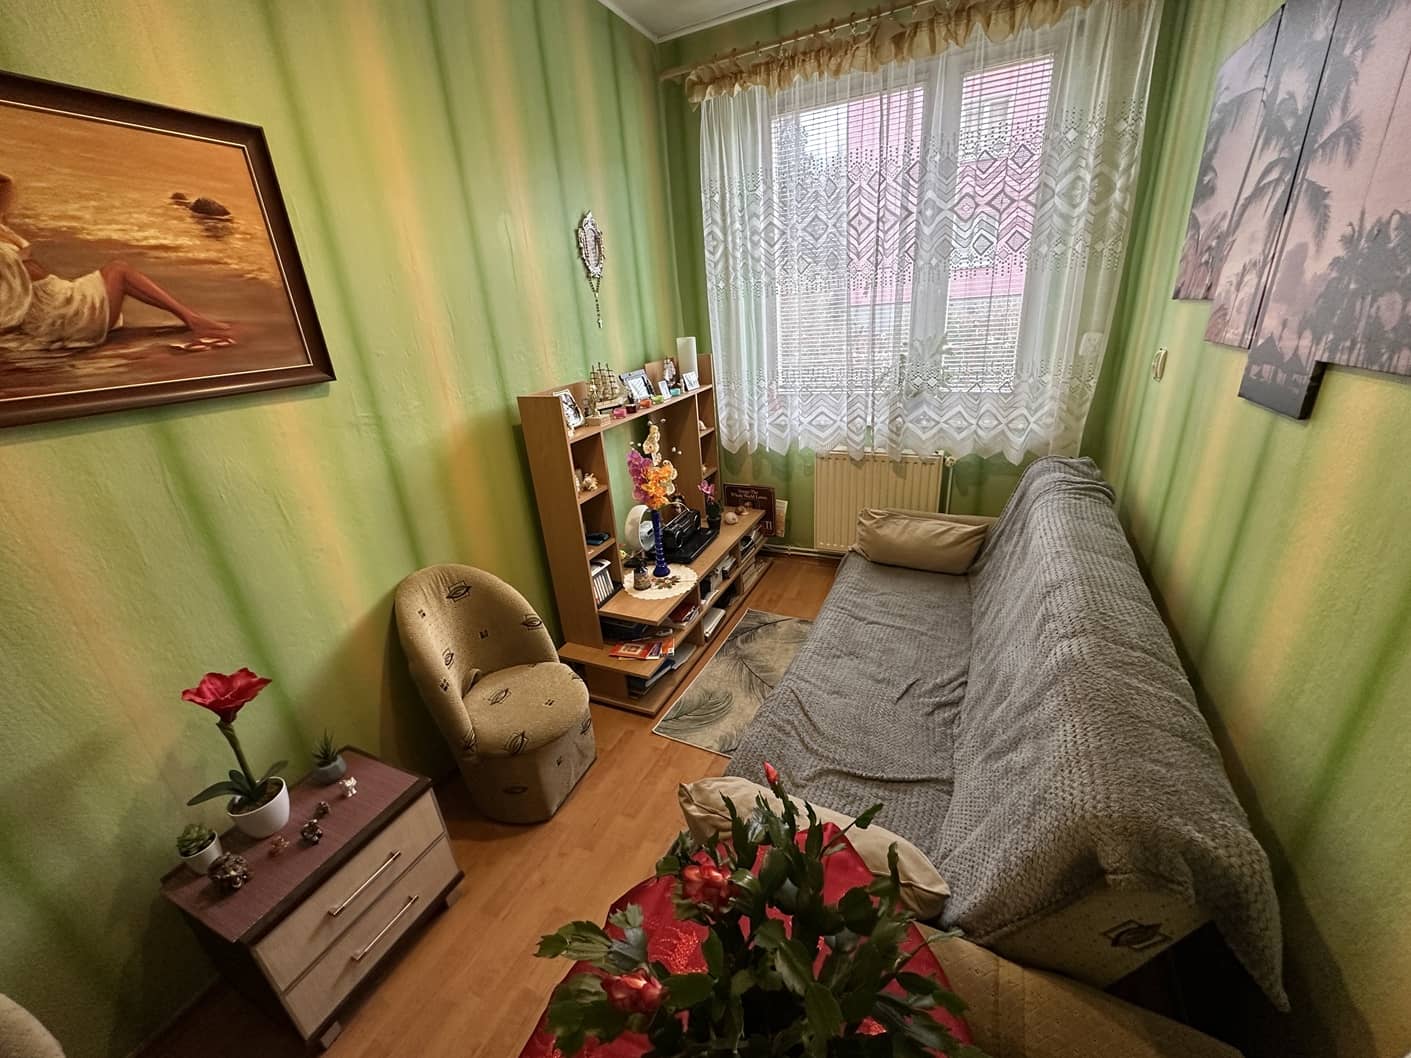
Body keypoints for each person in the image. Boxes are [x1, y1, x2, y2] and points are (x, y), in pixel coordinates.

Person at [0, 170, 232, 352]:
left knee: (119, 271)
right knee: (119, 270)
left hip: (58, 293)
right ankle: (192, 318)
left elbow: (7, 184)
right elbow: (8, 290)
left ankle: (191, 318)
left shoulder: (3, 227)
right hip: (52, 309)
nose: (7, 200)